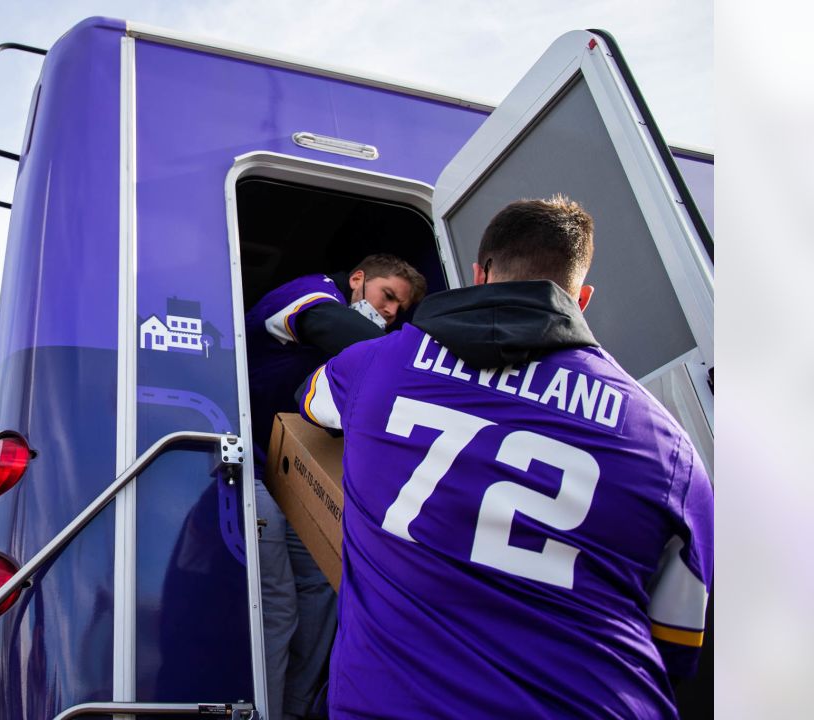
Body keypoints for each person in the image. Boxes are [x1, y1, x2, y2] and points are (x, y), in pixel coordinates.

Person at [297, 196, 712, 718]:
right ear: (581, 297)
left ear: (479, 273)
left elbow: (312, 402)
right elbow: (676, 646)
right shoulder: (667, 447)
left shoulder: (377, 364)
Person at [245, 254, 426, 719]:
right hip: (245, 468)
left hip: (288, 476)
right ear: (359, 278)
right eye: (387, 296)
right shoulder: (314, 290)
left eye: (399, 310)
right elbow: (325, 322)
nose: (390, 312)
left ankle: (292, 711)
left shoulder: (361, 348)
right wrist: (419, 361)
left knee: (325, 591)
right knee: (280, 607)